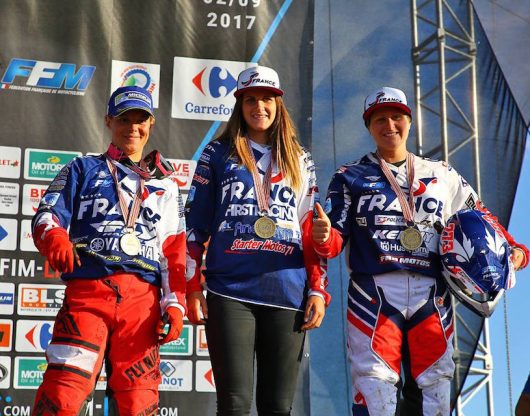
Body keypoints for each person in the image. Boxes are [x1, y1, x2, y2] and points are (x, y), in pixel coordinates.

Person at [311, 86, 529, 415]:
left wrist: (515, 251)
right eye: (379, 119)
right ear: (368, 127)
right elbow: (333, 240)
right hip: (374, 290)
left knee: (436, 388)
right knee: (374, 387)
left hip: (431, 291)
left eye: (396, 117)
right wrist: (324, 236)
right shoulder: (349, 176)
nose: (389, 125)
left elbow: (481, 217)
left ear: (409, 121)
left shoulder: (441, 174)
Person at [31, 86, 187, 415]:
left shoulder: (167, 185)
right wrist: (55, 237)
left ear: (151, 123)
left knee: (138, 402)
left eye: (140, 120)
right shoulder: (82, 168)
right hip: (88, 293)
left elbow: (174, 253)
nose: (133, 128)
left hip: (142, 304)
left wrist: (174, 305)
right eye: (124, 119)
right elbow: (47, 214)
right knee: (62, 395)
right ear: (108, 122)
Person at [185, 65, 330, 416]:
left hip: (287, 291)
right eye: (250, 99)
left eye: (267, 99)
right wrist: (191, 286)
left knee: (277, 408)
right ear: (240, 105)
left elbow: (308, 231)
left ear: (279, 104)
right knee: (234, 404)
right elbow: (194, 226)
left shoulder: (300, 158)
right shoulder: (217, 153)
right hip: (229, 290)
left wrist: (317, 290)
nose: (259, 107)